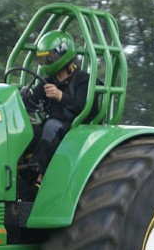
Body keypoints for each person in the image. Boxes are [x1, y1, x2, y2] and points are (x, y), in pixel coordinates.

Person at [21, 30, 97, 188]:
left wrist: (61, 96)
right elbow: (31, 102)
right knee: (28, 130)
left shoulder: (84, 80)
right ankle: (18, 173)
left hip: (75, 128)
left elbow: (87, 109)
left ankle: (37, 177)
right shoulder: (48, 81)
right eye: (42, 59)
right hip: (52, 128)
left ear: (61, 55)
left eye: (49, 58)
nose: (46, 62)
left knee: (51, 126)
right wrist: (22, 103)